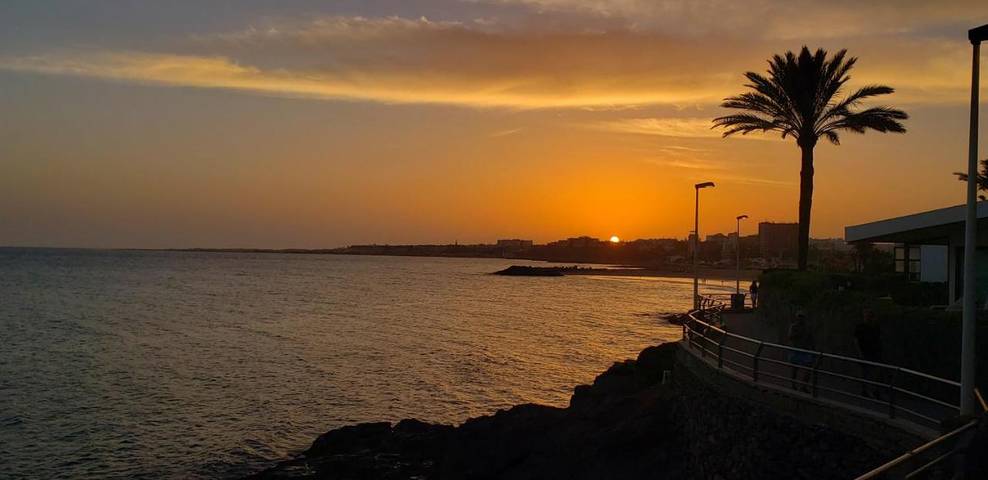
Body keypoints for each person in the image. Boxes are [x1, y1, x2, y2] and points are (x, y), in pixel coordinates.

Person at [855, 309, 884, 398]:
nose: (868, 318)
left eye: (870, 316)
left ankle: (875, 390)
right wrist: (860, 353)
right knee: (865, 372)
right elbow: (856, 340)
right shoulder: (860, 327)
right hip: (865, 352)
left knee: (876, 372)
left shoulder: (875, 327)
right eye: (867, 316)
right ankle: (865, 390)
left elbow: (878, 339)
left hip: (874, 352)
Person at [788, 311, 815, 392]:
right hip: (796, 350)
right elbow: (790, 337)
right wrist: (798, 333)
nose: (800, 318)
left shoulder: (807, 327)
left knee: (809, 368)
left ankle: (803, 386)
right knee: (795, 369)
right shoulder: (793, 327)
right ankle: (793, 385)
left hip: (805, 350)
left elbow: (811, 339)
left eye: (802, 317)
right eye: (799, 316)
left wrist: (814, 349)